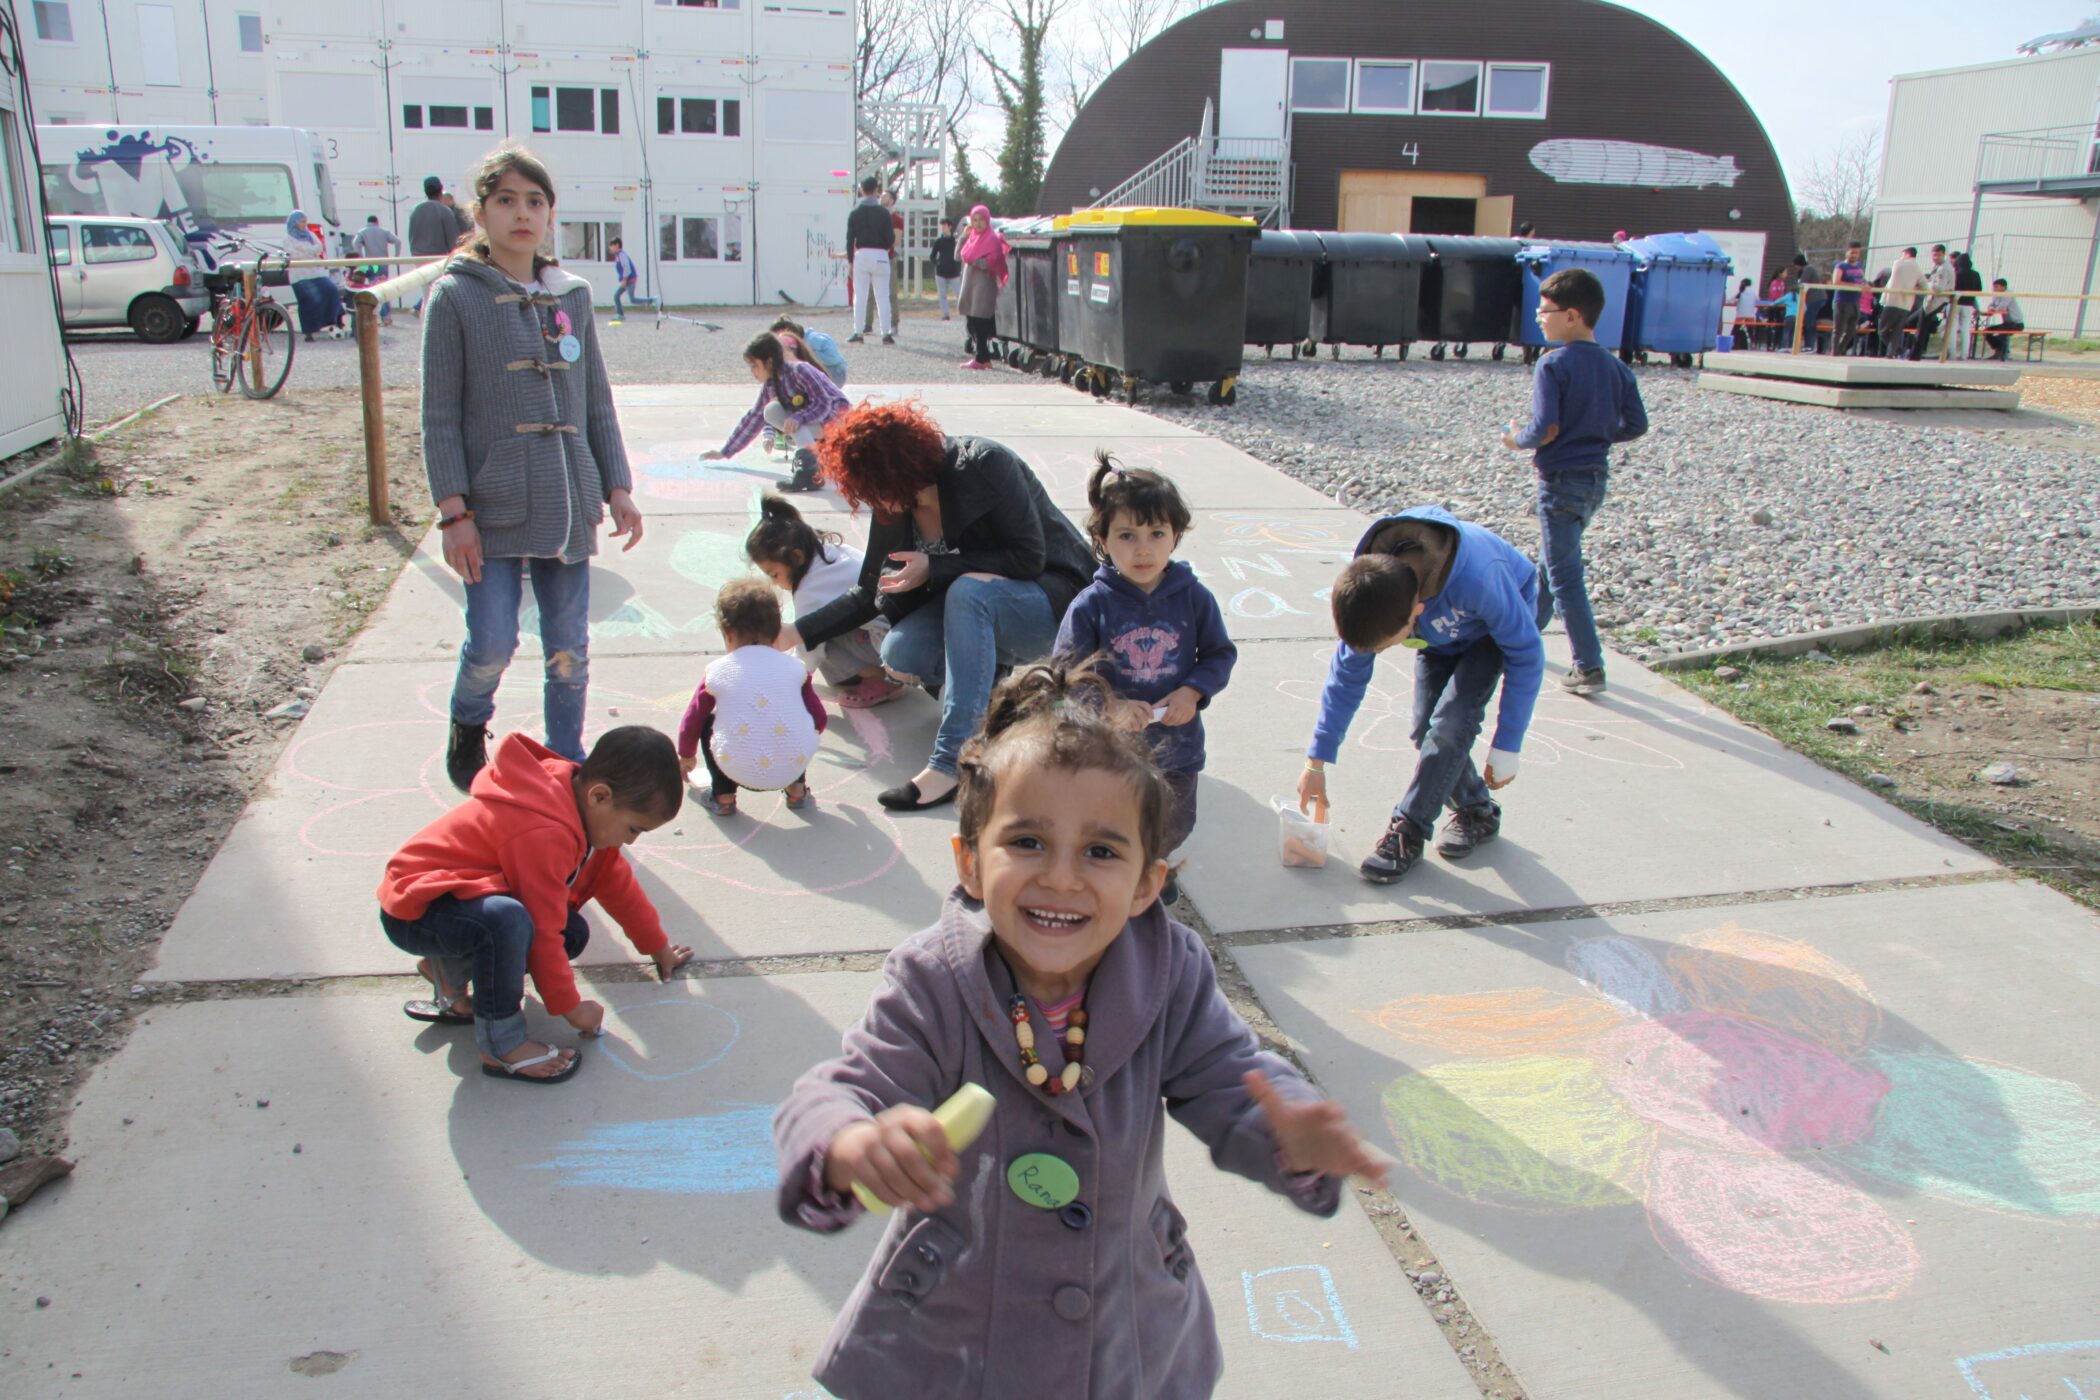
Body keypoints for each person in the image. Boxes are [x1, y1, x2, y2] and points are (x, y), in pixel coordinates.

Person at [773, 663, 1388, 1400]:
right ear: (969, 862)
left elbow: (1232, 1078)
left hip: (1121, 1319)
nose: (1062, 879)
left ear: (1146, 885)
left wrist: (1287, 1132)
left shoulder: (1168, 973)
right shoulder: (933, 978)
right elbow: (848, 1088)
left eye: (1101, 852)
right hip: (954, 1327)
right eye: (1027, 842)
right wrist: (849, 1143)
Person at [423, 144, 646, 792]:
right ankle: (469, 719)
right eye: (506, 201)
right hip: (489, 508)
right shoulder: (455, 298)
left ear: (550, 214)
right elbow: (439, 417)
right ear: (482, 212)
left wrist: (618, 486)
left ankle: (563, 767)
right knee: (492, 640)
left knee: (568, 653)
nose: (522, 214)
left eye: (535, 201)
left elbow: (595, 401)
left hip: (567, 502)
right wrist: (453, 514)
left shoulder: (570, 297)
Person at [772, 400, 1094, 811]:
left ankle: (953, 762)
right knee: (901, 651)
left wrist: (937, 566)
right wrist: (791, 634)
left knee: (966, 590)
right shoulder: (896, 504)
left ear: (899, 472)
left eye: (875, 491)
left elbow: (1029, 557)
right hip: (981, 611)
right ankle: (1002, 703)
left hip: (1055, 600)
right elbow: (871, 589)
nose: (875, 504)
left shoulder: (984, 465)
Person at [377, 726, 694, 1084]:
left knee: (571, 932)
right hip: (418, 910)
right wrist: (573, 1009)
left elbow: (618, 887)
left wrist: (657, 947)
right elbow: (542, 929)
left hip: (457, 903)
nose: (631, 841)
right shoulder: (544, 831)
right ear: (600, 797)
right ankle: (502, 1045)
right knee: (509, 921)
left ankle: (446, 974)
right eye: (634, 829)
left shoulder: (578, 808)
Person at [1297, 507, 1546, 885]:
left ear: (1417, 612)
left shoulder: (1480, 577)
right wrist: (1316, 761)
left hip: (1499, 626)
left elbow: (1526, 654)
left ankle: (1407, 831)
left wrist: (1507, 744)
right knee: (1423, 730)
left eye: (1384, 647)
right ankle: (1478, 811)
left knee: (1449, 726)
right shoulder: (1376, 586)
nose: (1377, 654)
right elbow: (1347, 676)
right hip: (1446, 632)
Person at [1053, 453, 1235, 906]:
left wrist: (1193, 691)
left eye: (1157, 534)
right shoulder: (1092, 605)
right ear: (1102, 540)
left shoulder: (1193, 598)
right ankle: (1126, 873)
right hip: (1112, 747)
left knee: (1175, 819)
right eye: (1127, 535)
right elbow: (1067, 674)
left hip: (1178, 742)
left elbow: (1218, 653)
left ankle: (1153, 864)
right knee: (1113, 817)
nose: (1143, 549)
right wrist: (1109, 704)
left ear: (1176, 535)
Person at [1506, 266, 1646, 698]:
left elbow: (1544, 427)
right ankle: (1523, 636)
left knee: (1565, 575)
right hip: (1593, 483)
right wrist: (1599, 433)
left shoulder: (1553, 365)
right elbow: (1636, 424)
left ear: (1572, 314)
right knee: (1553, 563)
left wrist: (1516, 439)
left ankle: (1588, 666)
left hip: (1560, 480)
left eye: (1544, 310)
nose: (1538, 317)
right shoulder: (1617, 367)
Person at [677, 579, 827, 817]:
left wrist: (686, 754)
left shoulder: (717, 671)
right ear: (777, 631)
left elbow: (693, 719)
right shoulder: (796, 669)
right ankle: (797, 790)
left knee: (708, 722)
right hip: (791, 765)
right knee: (795, 721)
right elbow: (819, 718)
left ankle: (723, 797)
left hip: (735, 766)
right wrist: (803, 734)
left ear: (727, 634)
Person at [746, 494, 904, 709]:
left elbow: (805, 652)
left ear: (796, 558)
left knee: (821, 640)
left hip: (889, 648)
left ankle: (877, 680)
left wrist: (781, 685)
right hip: (899, 632)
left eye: (774, 574)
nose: (773, 582)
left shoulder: (810, 591)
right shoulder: (832, 553)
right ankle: (880, 673)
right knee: (826, 631)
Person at [703, 330, 850, 494]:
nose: (752, 371)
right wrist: (725, 451)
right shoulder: (771, 384)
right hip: (817, 426)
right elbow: (754, 418)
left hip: (838, 422)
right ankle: (810, 469)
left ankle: (810, 468)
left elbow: (825, 402)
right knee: (771, 410)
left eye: (754, 365)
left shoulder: (800, 370)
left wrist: (800, 416)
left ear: (770, 361)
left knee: (789, 419)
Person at [956, 204, 1008, 371]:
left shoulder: (991, 239)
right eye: (975, 220)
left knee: (980, 320)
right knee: (971, 320)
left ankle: (981, 357)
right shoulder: (972, 238)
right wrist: (963, 238)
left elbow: (994, 261)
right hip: (970, 284)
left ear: (987, 221)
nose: (978, 224)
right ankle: (982, 358)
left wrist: (975, 260)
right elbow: (958, 256)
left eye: (981, 220)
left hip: (984, 285)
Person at [844, 176, 894, 346]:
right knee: (883, 296)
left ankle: (858, 332)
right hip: (881, 254)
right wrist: (884, 248)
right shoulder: (884, 212)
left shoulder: (855, 212)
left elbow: (850, 239)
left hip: (862, 254)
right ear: (876, 190)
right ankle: (886, 333)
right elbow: (890, 237)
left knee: (860, 296)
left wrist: (851, 261)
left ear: (861, 189)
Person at [281, 210, 344, 343]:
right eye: (302, 221)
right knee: (307, 301)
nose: (305, 224)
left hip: (316, 272)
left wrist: (305, 251)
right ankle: (309, 331)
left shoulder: (309, 234)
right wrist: (310, 251)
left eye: (305, 221)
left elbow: (319, 248)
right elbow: (293, 254)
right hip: (300, 276)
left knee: (331, 290)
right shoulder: (288, 238)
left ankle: (335, 321)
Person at [409, 176, 462, 315]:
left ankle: (424, 330)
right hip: (439, 260)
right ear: (441, 190)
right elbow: (453, 241)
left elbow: (411, 237)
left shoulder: (416, 210)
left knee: (426, 297)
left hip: (419, 260)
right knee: (440, 297)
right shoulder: (445, 211)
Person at [770, 315, 850, 388]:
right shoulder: (803, 342)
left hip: (835, 374)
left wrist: (808, 355)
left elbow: (833, 358)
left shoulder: (813, 339)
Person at [350, 214, 401, 323]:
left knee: (368, 286)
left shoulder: (362, 232)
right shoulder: (384, 231)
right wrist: (396, 257)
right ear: (377, 222)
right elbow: (397, 241)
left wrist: (361, 256)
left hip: (368, 263)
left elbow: (355, 243)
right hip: (382, 263)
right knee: (383, 289)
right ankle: (386, 316)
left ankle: (366, 312)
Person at [1879, 247, 1924, 358]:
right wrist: (1915, 287)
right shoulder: (1918, 269)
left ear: (1906, 254)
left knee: (1882, 330)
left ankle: (1898, 350)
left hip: (1892, 301)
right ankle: (1892, 353)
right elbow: (1924, 285)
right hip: (1906, 304)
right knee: (1896, 331)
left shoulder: (1898, 264)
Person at [1913, 244, 1955, 361]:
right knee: (1919, 326)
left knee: (1921, 328)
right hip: (1932, 300)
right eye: (1934, 255)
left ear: (1943, 254)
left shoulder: (1943, 268)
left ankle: (1914, 355)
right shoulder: (1938, 266)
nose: (1935, 257)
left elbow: (1939, 287)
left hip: (1936, 301)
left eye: (1938, 255)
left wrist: (1925, 284)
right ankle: (1914, 353)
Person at [1830, 242, 1866, 356]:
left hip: (1855, 301)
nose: (1854, 255)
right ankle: (1834, 351)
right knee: (1839, 329)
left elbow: (1861, 280)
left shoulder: (1860, 266)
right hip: (1842, 301)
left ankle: (1840, 348)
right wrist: (1854, 286)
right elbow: (1836, 281)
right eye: (1852, 252)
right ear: (1847, 252)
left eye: (1857, 253)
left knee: (1852, 329)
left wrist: (1865, 286)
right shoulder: (1841, 266)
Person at [1982, 278, 2025, 361]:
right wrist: (1991, 309)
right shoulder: (1997, 295)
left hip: (2016, 323)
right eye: (1994, 287)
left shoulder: (2008, 294)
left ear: (2003, 287)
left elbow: (2002, 306)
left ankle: (2006, 353)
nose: (1995, 289)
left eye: (1996, 287)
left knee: (2002, 333)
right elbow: (1992, 305)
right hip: (2007, 323)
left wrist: (1993, 310)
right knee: (1987, 331)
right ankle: (1998, 350)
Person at [1951, 251, 1983, 359]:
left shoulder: (1956, 273)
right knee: (1965, 329)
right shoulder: (1975, 274)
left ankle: (1952, 353)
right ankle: (1964, 355)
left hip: (1956, 303)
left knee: (1953, 328)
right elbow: (1979, 290)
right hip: (1969, 304)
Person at [882, 189, 905, 336]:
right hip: (874, 257)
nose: (882, 197)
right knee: (870, 293)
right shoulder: (875, 216)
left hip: (888, 257)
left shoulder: (896, 219)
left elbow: (896, 240)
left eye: (885, 195)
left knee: (891, 292)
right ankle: (867, 324)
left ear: (891, 200)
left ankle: (894, 322)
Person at [930, 216, 961, 320]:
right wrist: (937, 263)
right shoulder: (939, 241)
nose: (943, 227)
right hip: (941, 272)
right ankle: (945, 314)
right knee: (942, 294)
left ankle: (963, 312)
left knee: (959, 293)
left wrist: (958, 265)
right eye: (942, 225)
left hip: (954, 273)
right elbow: (932, 256)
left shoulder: (956, 241)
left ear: (950, 226)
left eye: (944, 225)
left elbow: (961, 253)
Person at [610, 236, 640, 320]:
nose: (611, 248)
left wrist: (624, 279)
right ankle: (621, 315)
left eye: (612, 245)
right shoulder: (618, 255)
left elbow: (627, 268)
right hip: (627, 280)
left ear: (617, 245)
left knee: (632, 299)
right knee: (617, 296)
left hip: (629, 280)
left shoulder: (621, 255)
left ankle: (653, 300)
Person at [1733, 277, 1758, 349]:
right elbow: (1758, 300)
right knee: (1750, 330)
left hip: (1740, 315)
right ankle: (1753, 344)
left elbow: (1730, 299)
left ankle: (1732, 341)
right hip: (1750, 315)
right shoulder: (1754, 292)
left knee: (1735, 329)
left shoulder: (1740, 292)